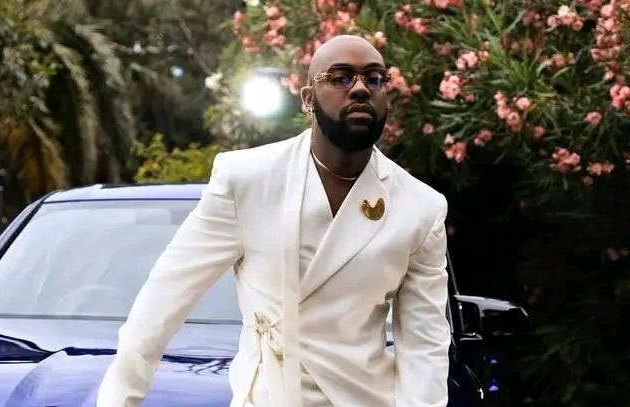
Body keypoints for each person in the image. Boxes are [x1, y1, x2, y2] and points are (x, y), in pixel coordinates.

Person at [97, 34, 450, 407]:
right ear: (308, 99)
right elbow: (165, 296)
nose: (361, 88)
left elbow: (424, 347)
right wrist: (119, 398)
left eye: (375, 78)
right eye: (341, 77)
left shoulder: (420, 208)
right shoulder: (246, 180)